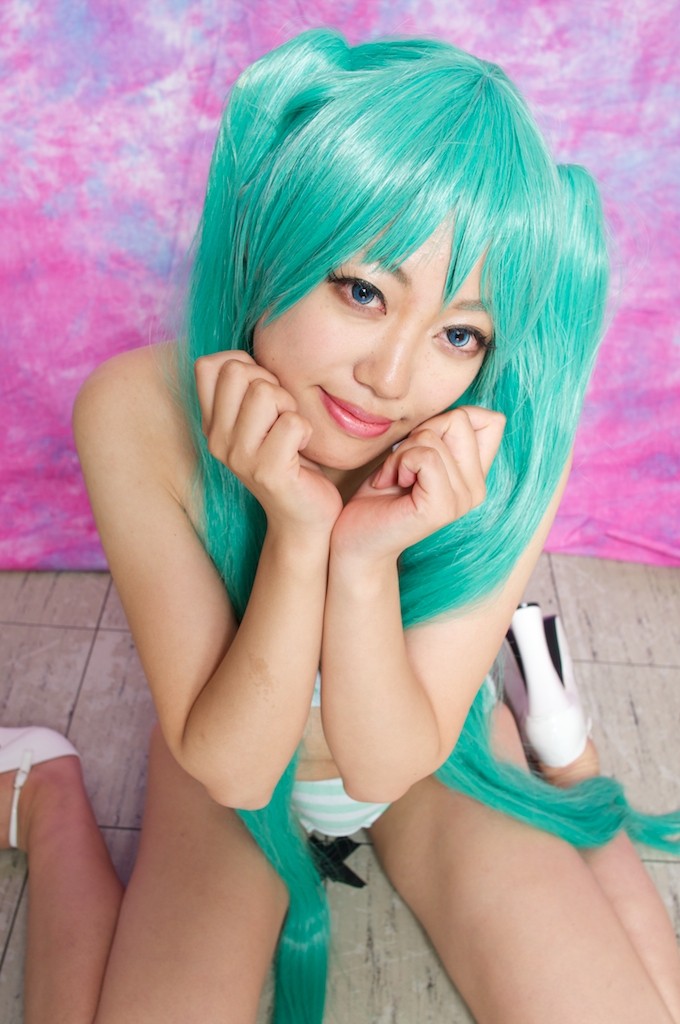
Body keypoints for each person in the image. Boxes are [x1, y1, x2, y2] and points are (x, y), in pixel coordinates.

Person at [2, 27, 679, 1024]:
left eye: (459, 332)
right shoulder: (133, 410)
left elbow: (387, 761)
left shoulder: (506, 440)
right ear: (276, 243)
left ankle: (557, 734)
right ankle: (44, 792)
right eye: (363, 291)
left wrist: (363, 558)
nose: (391, 377)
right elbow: (234, 766)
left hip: (425, 736)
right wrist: (298, 529)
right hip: (232, 742)